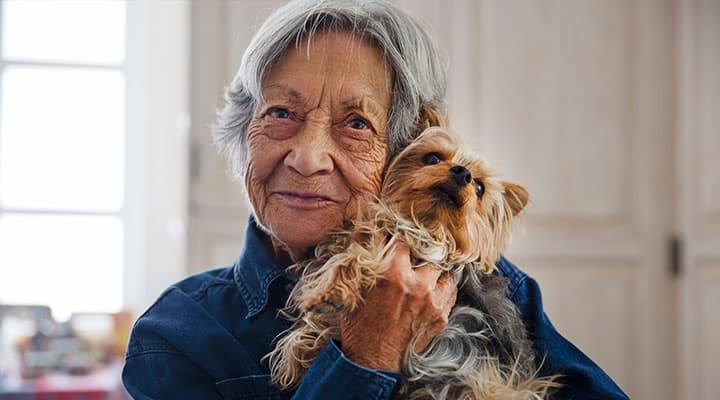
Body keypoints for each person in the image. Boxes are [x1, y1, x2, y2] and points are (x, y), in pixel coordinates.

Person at [121, 1, 629, 399]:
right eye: (280, 113)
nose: (308, 157)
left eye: (357, 123)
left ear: (397, 154)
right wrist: (366, 356)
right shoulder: (177, 336)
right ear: (241, 134)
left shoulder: (484, 282)